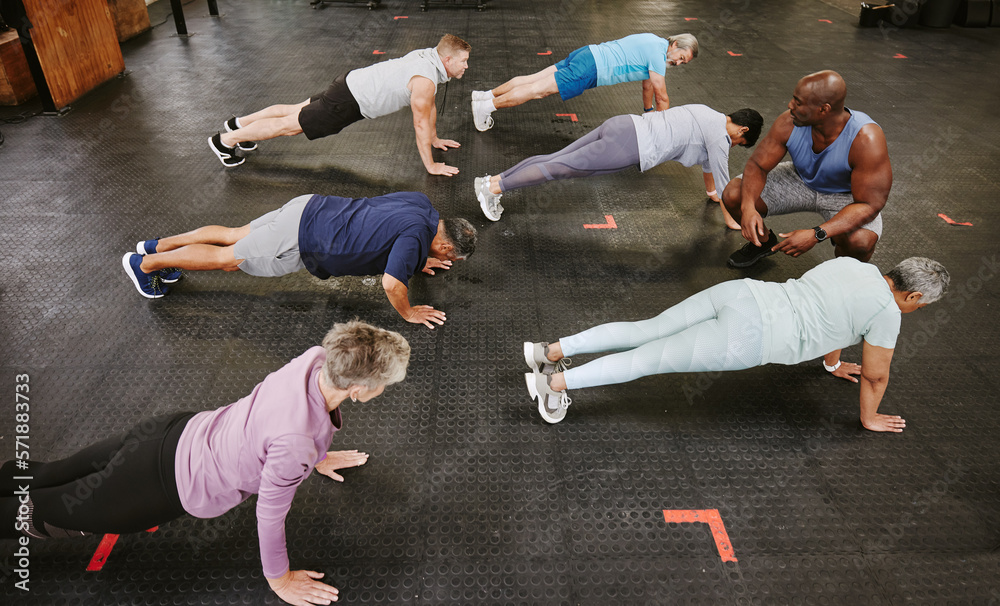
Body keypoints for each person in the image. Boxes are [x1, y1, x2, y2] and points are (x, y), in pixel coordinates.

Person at [1, 320, 410, 606]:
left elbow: (291, 423)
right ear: (359, 389)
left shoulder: (316, 359)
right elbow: (269, 515)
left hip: (168, 432)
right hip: (157, 484)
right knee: (41, 515)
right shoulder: (297, 443)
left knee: (51, 473)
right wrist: (280, 579)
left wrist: (316, 456)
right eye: (383, 386)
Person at [522, 257, 948, 431]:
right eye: (920, 306)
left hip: (743, 293)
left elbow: (834, 320)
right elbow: (876, 374)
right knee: (647, 360)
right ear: (913, 297)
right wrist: (870, 417)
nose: (916, 311)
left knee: (644, 329)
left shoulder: (853, 264)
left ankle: (550, 351)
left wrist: (832, 365)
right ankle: (553, 387)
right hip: (750, 336)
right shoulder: (888, 313)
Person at [120, 192, 477, 329]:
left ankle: (156, 247)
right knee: (228, 258)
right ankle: (144, 265)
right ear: (446, 248)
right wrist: (409, 312)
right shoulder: (415, 239)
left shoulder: (422, 205)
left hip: (310, 206)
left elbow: (383, 221)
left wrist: (415, 260)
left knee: (232, 233)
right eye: (453, 257)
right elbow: (391, 284)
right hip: (302, 237)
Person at [208, 34, 470, 176]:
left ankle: (239, 124)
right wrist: (431, 165)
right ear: (446, 59)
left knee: (293, 110)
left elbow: (430, 108)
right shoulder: (425, 80)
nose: (466, 66)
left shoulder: (428, 56)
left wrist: (435, 139)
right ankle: (226, 140)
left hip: (351, 83)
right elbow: (420, 121)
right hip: (350, 101)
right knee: (291, 126)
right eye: (463, 61)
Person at [474, 105, 764, 226]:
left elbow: (709, 168)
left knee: (556, 158)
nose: (733, 145)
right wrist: (732, 218)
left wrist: (711, 194)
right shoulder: (721, 136)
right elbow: (727, 183)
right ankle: (496, 188)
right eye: (739, 143)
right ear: (743, 132)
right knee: (559, 168)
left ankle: (492, 180)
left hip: (624, 124)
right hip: (630, 144)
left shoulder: (707, 113)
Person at [722, 70, 892, 268]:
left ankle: (841, 275)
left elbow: (870, 204)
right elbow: (757, 166)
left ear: (824, 109)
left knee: (860, 243)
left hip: (846, 195)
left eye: (798, 102)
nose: (790, 106)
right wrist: (748, 207)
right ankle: (762, 243)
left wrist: (818, 233)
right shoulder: (789, 121)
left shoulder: (866, 139)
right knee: (734, 194)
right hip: (801, 178)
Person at [470, 33, 698, 132]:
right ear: (675, 43)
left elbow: (648, 85)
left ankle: (486, 95)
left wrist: (648, 111)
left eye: (683, 63)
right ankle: (487, 106)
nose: (678, 63)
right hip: (592, 68)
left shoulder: (653, 41)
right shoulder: (658, 57)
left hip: (587, 53)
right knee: (538, 90)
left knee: (534, 78)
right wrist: (662, 129)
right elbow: (662, 96)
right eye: (681, 58)